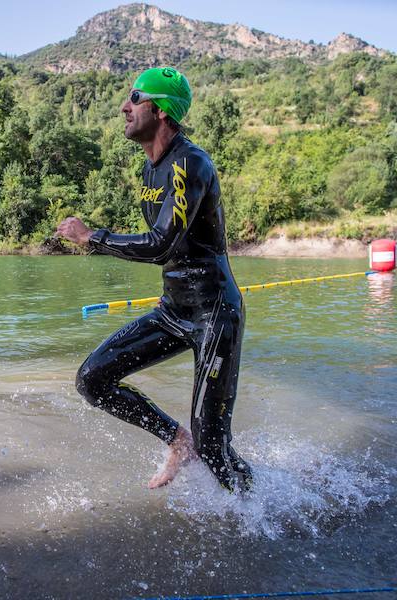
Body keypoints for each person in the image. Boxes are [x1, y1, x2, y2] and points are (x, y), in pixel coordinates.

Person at [56, 67, 252, 492]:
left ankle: (264, 513)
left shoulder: (189, 164)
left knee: (215, 448)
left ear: (161, 111)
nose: (125, 106)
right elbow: (172, 251)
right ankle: (177, 440)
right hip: (173, 310)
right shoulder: (150, 170)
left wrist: (93, 238)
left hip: (213, 316)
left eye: (135, 98)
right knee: (92, 379)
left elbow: (161, 244)